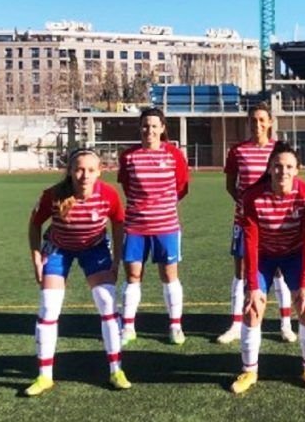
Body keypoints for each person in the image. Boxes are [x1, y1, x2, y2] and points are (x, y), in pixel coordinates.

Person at [24, 148, 130, 396]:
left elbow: (118, 224)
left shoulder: (108, 195)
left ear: (100, 171)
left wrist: (116, 260)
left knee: (107, 302)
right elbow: (35, 224)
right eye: (79, 169)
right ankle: (44, 376)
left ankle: (116, 370)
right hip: (59, 249)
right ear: (70, 171)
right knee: (49, 307)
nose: (85, 175)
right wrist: (36, 256)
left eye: (91, 170)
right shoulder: (53, 195)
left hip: (94, 249)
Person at [232, 142, 305, 394]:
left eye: (289, 167)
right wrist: (253, 286)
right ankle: (249, 371)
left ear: (297, 170)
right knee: (253, 308)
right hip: (264, 255)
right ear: (270, 168)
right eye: (278, 166)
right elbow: (250, 241)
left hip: (294, 254)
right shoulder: (252, 196)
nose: (283, 171)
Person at [216, 103, 296, 345]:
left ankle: (285, 324)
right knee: (241, 270)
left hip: (274, 222)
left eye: (262, 120)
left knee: (279, 271)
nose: (257, 124)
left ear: (270, 122)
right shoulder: (237, 151)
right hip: (244, 221)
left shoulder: (279, 150)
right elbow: (231, 185)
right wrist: (247, 206)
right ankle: (236, 324)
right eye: (253, 120)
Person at [117, 107, 191, 346]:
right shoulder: (129, 157)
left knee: (169, 275)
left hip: (166, 226)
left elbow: (182, 186)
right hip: (135, 227)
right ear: (140, 128)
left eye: (154, 126)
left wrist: (162, 206)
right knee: (133, 275)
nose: (149, 130)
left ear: (162, 128)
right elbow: (127, 187)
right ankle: (128, 326)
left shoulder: (174, 155)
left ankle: (175, 326)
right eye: (145, 125)